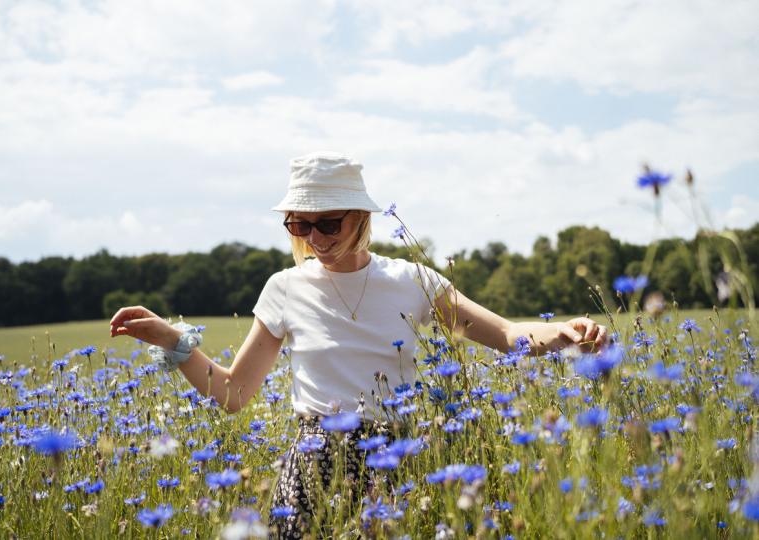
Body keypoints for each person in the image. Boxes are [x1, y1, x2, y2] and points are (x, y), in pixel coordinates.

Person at [109, 152, 608, 538]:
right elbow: (235, 394)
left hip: (402, 457)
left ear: (362, 218)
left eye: (329, 223)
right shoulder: (284, 288)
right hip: (313, 462)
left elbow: (502, 335)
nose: (315, 237)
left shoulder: (412, 279)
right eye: (300, 225)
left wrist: (563, 332)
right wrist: (174, 342)